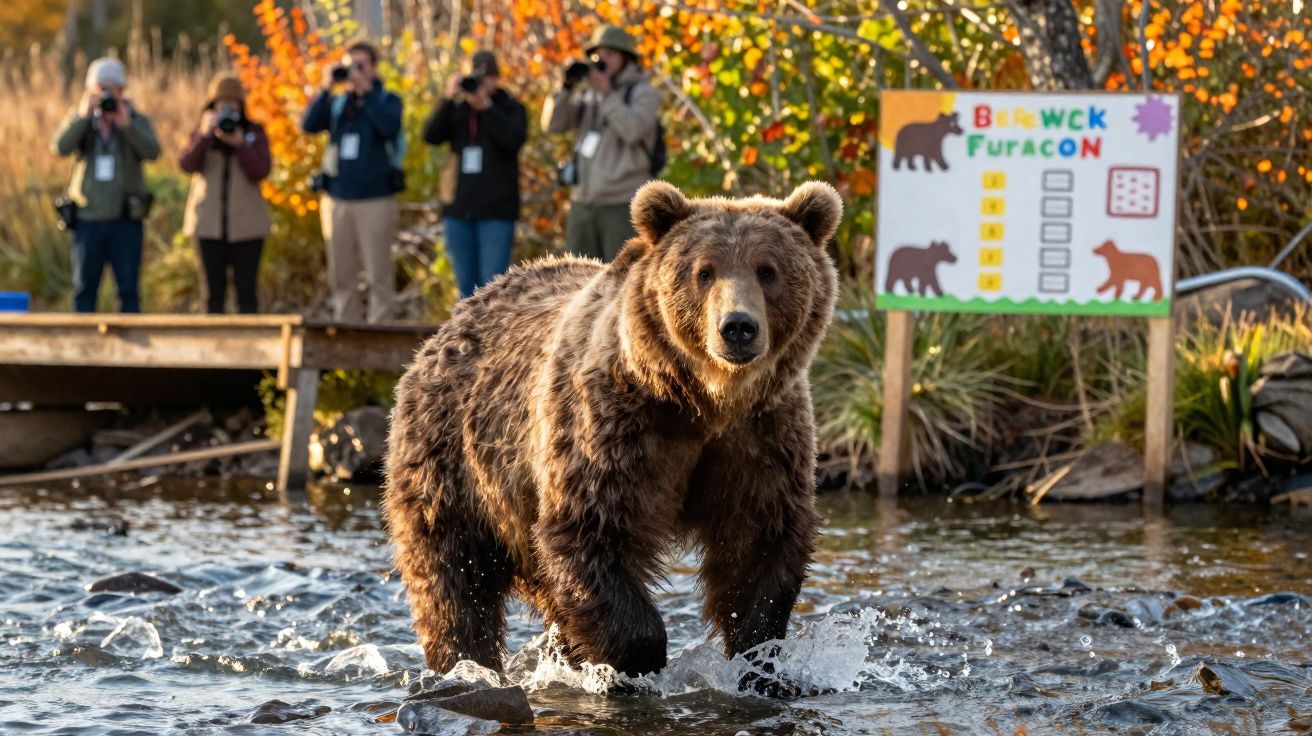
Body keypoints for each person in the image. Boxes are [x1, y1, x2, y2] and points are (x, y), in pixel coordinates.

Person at [301, 41, 404, 324]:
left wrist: (367, 93)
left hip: (376, 199)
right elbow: (308, 124)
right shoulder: (337, 104)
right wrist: (325, 88)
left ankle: (380, 335)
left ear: (373, 67)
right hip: (337, 199)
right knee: (341, 274)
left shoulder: (387, 100)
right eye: (350, 65)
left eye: (360, 65)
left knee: (378, 274)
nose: (354, 71)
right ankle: (347, 330)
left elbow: (389, 127)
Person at [542, 25, 661, 262]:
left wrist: (607, 94)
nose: (601, 60)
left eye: (609, 54)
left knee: (622, 282)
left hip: (621, 204)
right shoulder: (590, 93)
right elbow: (553, 125)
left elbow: (633, 130)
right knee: (579, 282)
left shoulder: (644, 92)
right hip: (582, 203)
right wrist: (565, 88)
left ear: (625, 58)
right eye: (597, 54)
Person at [51, 57, 161, 313]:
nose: (108, 95)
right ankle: (83, 347)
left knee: (129, 290)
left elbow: (153, 152)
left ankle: (131, 349)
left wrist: (126, 125)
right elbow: (59, 147)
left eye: (114, 88)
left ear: (123, 91)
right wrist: (81, 117)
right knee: (84, 290)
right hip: (87, 218)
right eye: (101, 88)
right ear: (90, 89)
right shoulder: (82, 119)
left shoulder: (135, 119)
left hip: (125, 218)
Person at [423, 51, 527, 299]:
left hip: (496, 214)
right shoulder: (458, 110)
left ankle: (492, 338)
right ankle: (466, 338)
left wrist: (487, 108)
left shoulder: (511, 108)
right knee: (465, 290)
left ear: (496, 78)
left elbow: (513, 140)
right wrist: (448, 98)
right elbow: (430, 135)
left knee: (494, 290)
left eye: (487, 78)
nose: (480, 85)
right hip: (459, 212)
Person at [179, 74, 273, 314]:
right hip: (208, 225)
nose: (228, 111)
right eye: (222, 105)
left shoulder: (254, 132)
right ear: (212, 106)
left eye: (233, 105)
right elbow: (187, 164)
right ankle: (213, 347)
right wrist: (203, 135)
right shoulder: (203, 131)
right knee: (212, 295)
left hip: (247, 227)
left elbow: (261, 170)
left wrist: (241, 144)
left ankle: (251, 347)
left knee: (247, 294)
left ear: (242, 107)